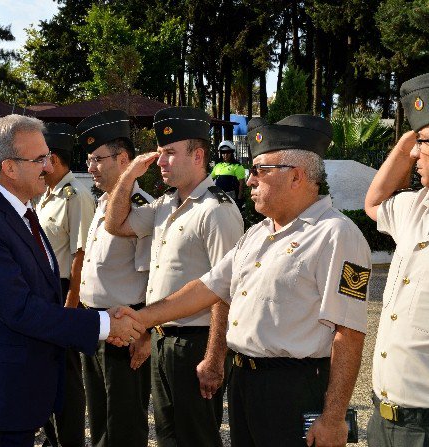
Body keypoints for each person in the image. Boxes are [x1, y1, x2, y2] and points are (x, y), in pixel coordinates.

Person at [117, 114, 371, 447]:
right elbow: (207, 288)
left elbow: (349, 333)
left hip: (292, 387)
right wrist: (142, 318)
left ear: (296, 176)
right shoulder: (257, 234)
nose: (249, 180)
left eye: (258, 170)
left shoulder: (336, 235)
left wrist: (334, 417)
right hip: (244, 383)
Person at [0, 114, 144, 447]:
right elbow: (19, 309)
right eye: (38, 159)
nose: (48, 166)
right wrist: (105, 325)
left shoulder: (18, 209)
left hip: (7, 395)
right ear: (8, 167)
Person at [105, 106, 244, 447]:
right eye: (160, 153)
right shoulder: (165, 204)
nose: (161, 162)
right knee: (168, 437)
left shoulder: (216, 210)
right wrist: (128, 177)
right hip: (162, 340)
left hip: (196, 343)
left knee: (197, 437)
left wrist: (214, 358)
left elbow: (226, 290)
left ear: (198, 156)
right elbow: (115, 224)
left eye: (169, 153)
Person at [76, 110, 153, 447]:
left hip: (124, 333)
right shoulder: (103, 203)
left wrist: (145, 332)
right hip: (95, 327)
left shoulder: (142, 208)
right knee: (100, 424)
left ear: (124, 160)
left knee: (123, 426)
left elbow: (154, 278)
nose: (90, 167)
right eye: (89, 160)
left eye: (97, 159)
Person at [364, 72, 429, 446]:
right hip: (384, 420)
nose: (414, 154)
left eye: (422, 143)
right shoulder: (416, 207)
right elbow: (374, 201)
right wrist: (412, 134)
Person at [36, 122, 96, 447]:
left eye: (40, 159)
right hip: (44, 292)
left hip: (64, 293)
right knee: (44, 370)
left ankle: (70, 440)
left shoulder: (77, 197)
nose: (37, 166)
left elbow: (81, 254)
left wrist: (70, 309)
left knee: (68, 376)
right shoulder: (45, 197)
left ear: (55, 160)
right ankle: (50, 437)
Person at [211, 140, 246, 205]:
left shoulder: (237, 166)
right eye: (223, 153)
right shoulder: (217, 166)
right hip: (218, 196)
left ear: (232, 153)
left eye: (228, 153)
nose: (225, 155)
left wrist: (239, 199)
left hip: (231, 196)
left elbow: (242, 184)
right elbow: (210, 179)